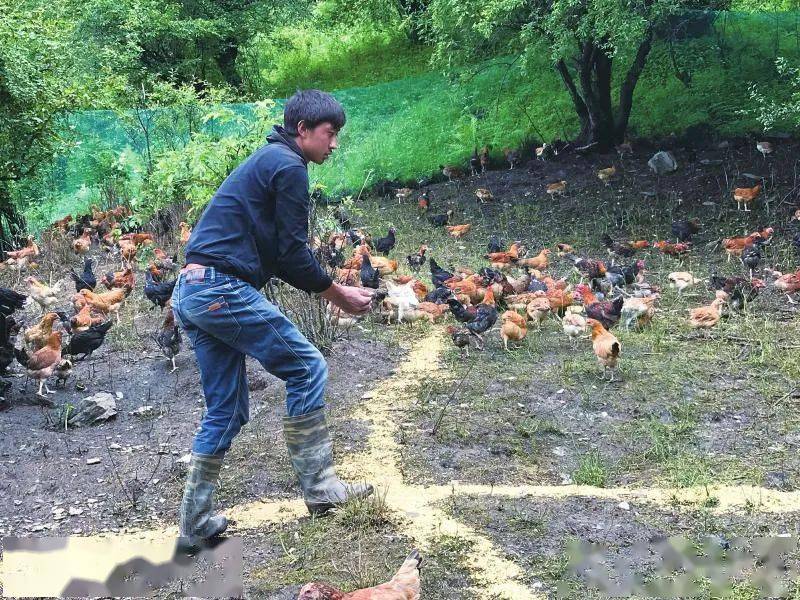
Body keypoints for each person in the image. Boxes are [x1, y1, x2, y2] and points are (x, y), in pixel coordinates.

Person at [172, 89, 375, 547]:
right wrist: (338, 294)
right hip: (220, 289)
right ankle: (322, 490)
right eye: (330, 133)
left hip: (192, 289)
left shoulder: (269, 160)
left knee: (227, 408)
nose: (334, 144)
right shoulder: (287, 166)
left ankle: (195, 523)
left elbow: (283, 257)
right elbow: (292, 253)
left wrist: (326, 287)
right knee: (307, 367)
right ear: (302, 130)